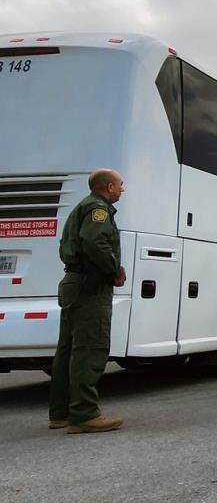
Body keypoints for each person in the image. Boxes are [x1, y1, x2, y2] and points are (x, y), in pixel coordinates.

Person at [49, 168, 126, 434]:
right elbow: (94, 241)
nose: (122, 189)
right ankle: (84, 414)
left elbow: (66, 245)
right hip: (90, 285)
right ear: (108, 187)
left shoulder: (81, 207)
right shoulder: (98, 209)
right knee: (90, 346)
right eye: (120, 185)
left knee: (67, 349)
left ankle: (60, 413)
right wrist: (114, 269)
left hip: (73, 281)